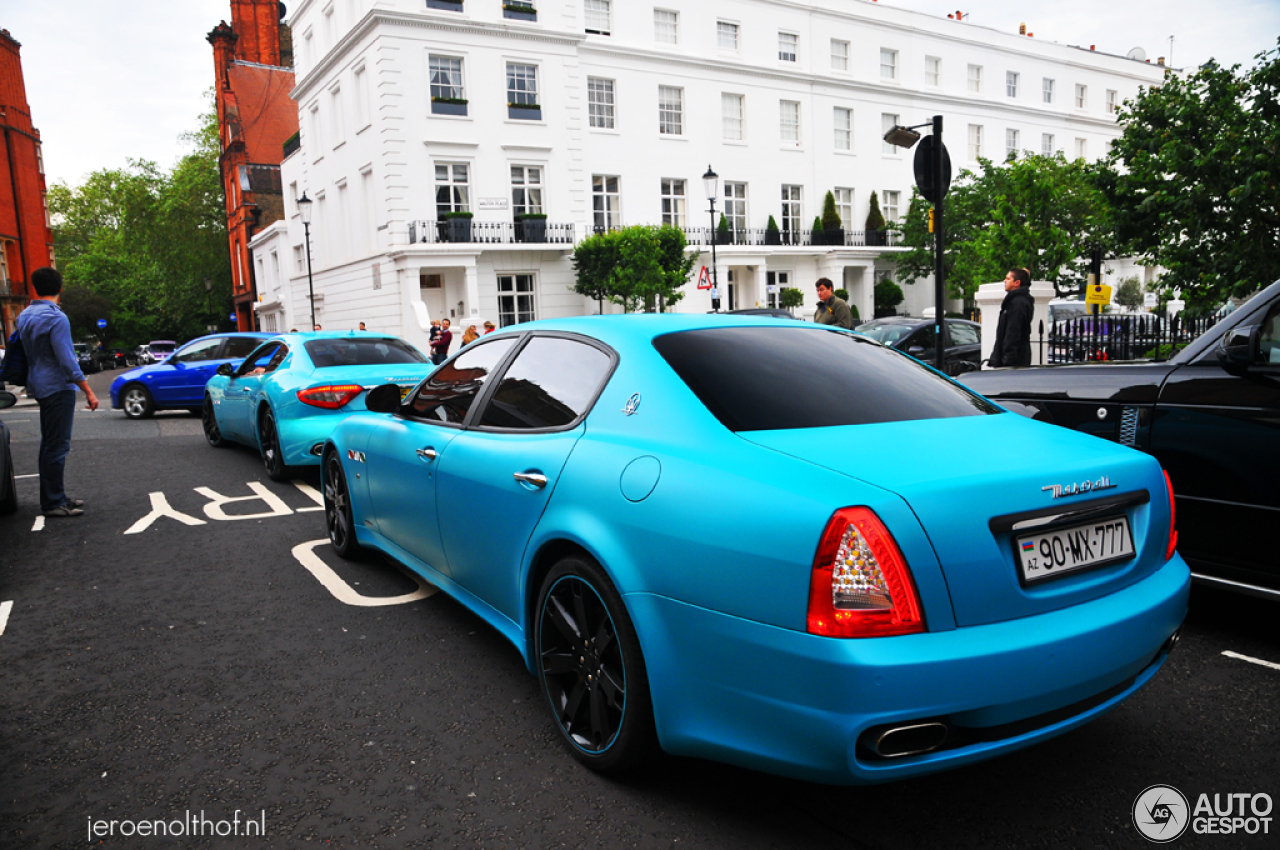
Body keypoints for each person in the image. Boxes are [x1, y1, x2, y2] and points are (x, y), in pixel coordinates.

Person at [16, 267, 99, 517]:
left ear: (35, 288)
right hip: (57, 386)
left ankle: (56, 496)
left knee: (48, 443)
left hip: (38, 384)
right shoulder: (56, 318)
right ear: (60, 288)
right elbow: (67, 360)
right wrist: (88, 390)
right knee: (57, 445)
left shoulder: (25, 315)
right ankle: (53, 502)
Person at [990, 267, 1034, 368]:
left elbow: (1013, 332)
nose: (1004, 281)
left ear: (1017, 283)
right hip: (1012, 358)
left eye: (1008, 279)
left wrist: (1008, 358)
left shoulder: (1018, 303)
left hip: (1013, 361)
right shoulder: (1015, 301)